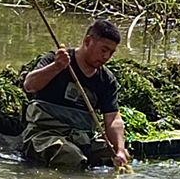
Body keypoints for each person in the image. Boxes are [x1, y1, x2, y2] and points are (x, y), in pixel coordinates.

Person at [22, 19, 129, 169]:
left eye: (111, 53)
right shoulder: (56, 59)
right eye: (103, 50)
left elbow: (112, 119)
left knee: (113, 159)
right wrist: (56, 67)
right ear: (87, 41)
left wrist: (119, 150)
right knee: (70, 156)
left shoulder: (106, 80)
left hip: (82, 137)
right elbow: (29, 85)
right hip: (45, 134)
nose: (106, 57)